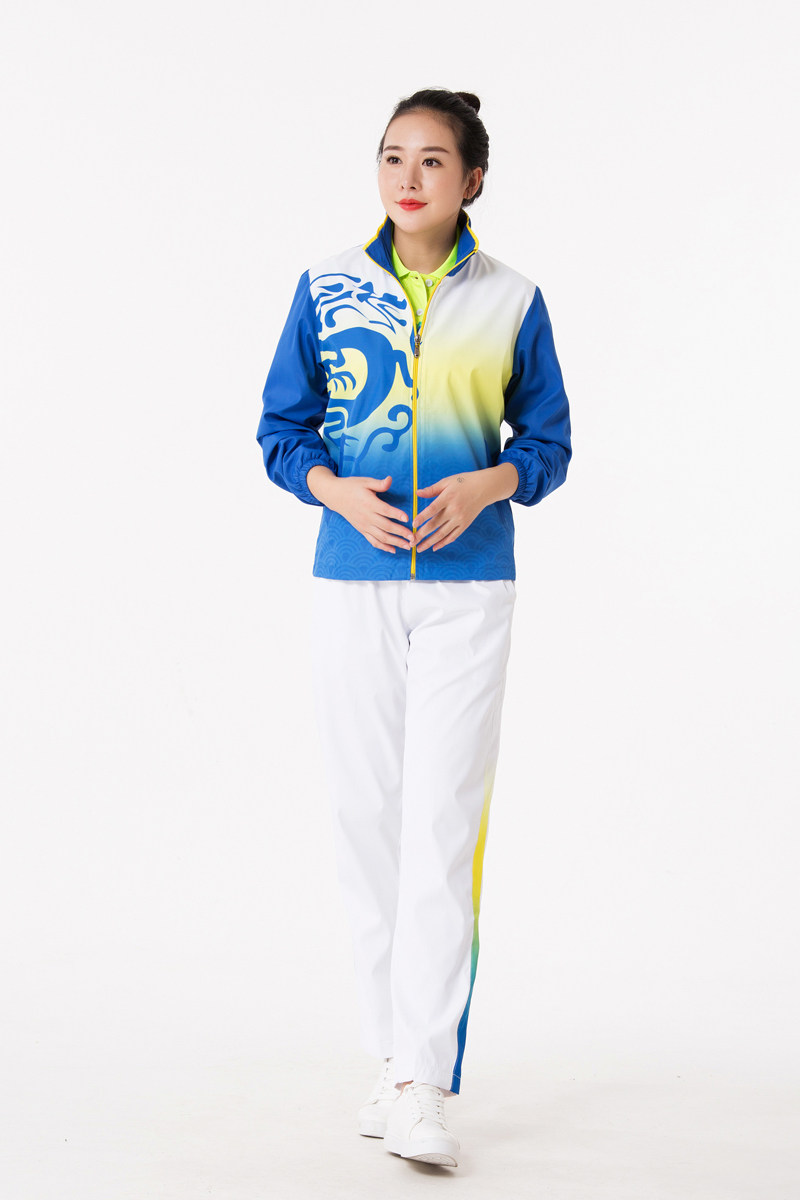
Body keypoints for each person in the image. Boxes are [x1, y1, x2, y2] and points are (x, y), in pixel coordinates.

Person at [256, 87, 571, 1169]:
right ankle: (388, 1057)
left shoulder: (512, 298)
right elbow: (281, 429)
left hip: (469, 589)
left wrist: (490, 481)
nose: (408, 176)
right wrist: (334, 492)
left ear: (471, 179)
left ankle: (423, 1081)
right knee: (366, 817)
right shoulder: (325, 286)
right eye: (393, 156)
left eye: (432, 160)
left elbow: (548, 443)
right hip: (352, 581)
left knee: (441, 825)